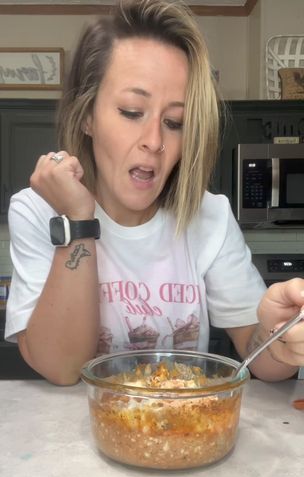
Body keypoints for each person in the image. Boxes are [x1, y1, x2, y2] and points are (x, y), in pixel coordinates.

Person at [5, 0, 304, 385]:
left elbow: (258, 354)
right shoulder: (35, 210)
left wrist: (281, 342)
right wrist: (78, 220)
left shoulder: (209, 215)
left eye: (175, 121)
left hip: (181, 435)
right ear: (87, 117)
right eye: (132, 112)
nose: (154, 141)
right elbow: (61, 369)